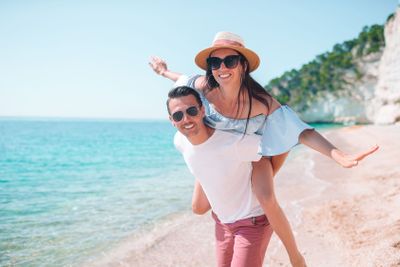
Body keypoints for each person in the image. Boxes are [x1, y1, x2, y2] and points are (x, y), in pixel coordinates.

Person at [151, 32, 378, 266]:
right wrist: (163, 72)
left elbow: (301, 131)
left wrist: (339, 156)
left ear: (243, 65)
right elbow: (181, 79)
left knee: (266, 198)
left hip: (255, 152)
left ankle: (295, 256)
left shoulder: (259, 101)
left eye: (230, 61)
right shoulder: (203, 86)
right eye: (215, 62)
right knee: (199, 208)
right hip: (218, 153)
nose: (222, 68)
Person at [167, 85, 273, 267]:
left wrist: (264, 182)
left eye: (191, 111)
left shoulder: (233, 143)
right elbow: (203, 159)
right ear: (172, 121)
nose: (186, 119)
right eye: (178, 115)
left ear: (202, 110)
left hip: (251, 222)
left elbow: (275, 147)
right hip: (222, 222)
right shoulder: (180, 141)